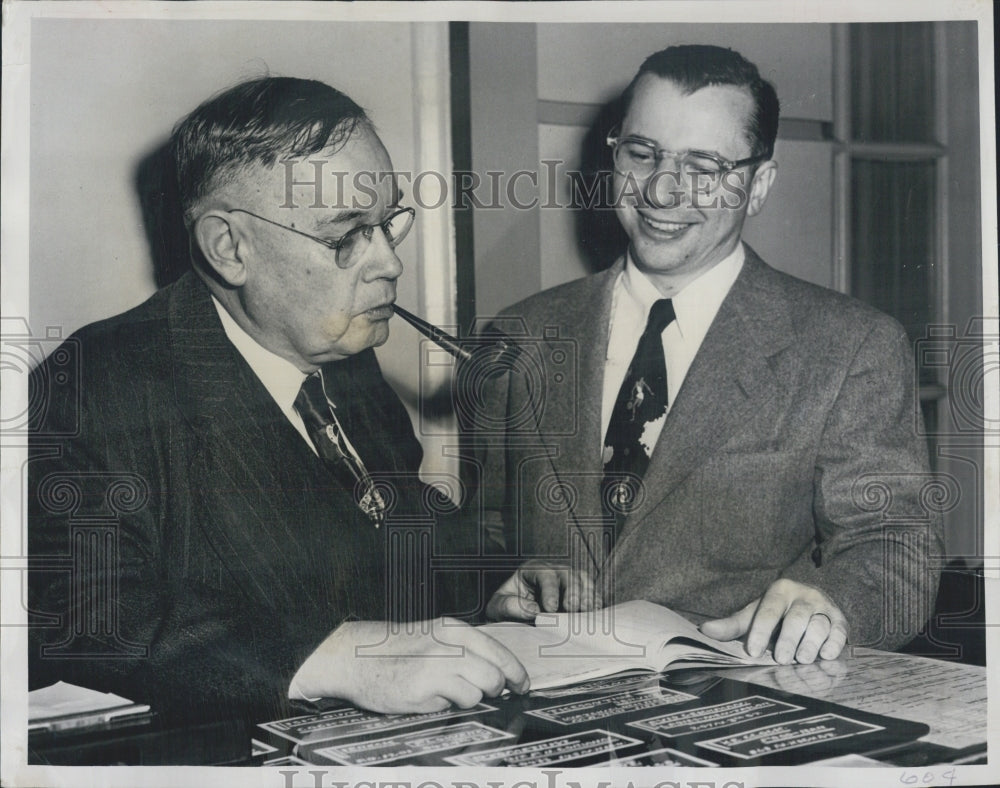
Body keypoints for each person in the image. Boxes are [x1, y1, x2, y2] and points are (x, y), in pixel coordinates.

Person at [28, 76, 527, 726]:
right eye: (346, 234)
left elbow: (396, 518)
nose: (389, 264)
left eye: (387, 224)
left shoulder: (342, 359)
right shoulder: (95, 386)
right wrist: (333, 660)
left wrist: (499, 579)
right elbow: (83, 611)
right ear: (229, 247)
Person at [481, 45, 943, 665]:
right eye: (642, 154)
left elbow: (895, 546)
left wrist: (831, 602)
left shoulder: (849, 346)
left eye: (705, 167)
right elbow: (478, 532)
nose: (664, 191)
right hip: (541, 706)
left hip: (741, 703)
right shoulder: (523, 332)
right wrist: (497, 590)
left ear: (758, 186)